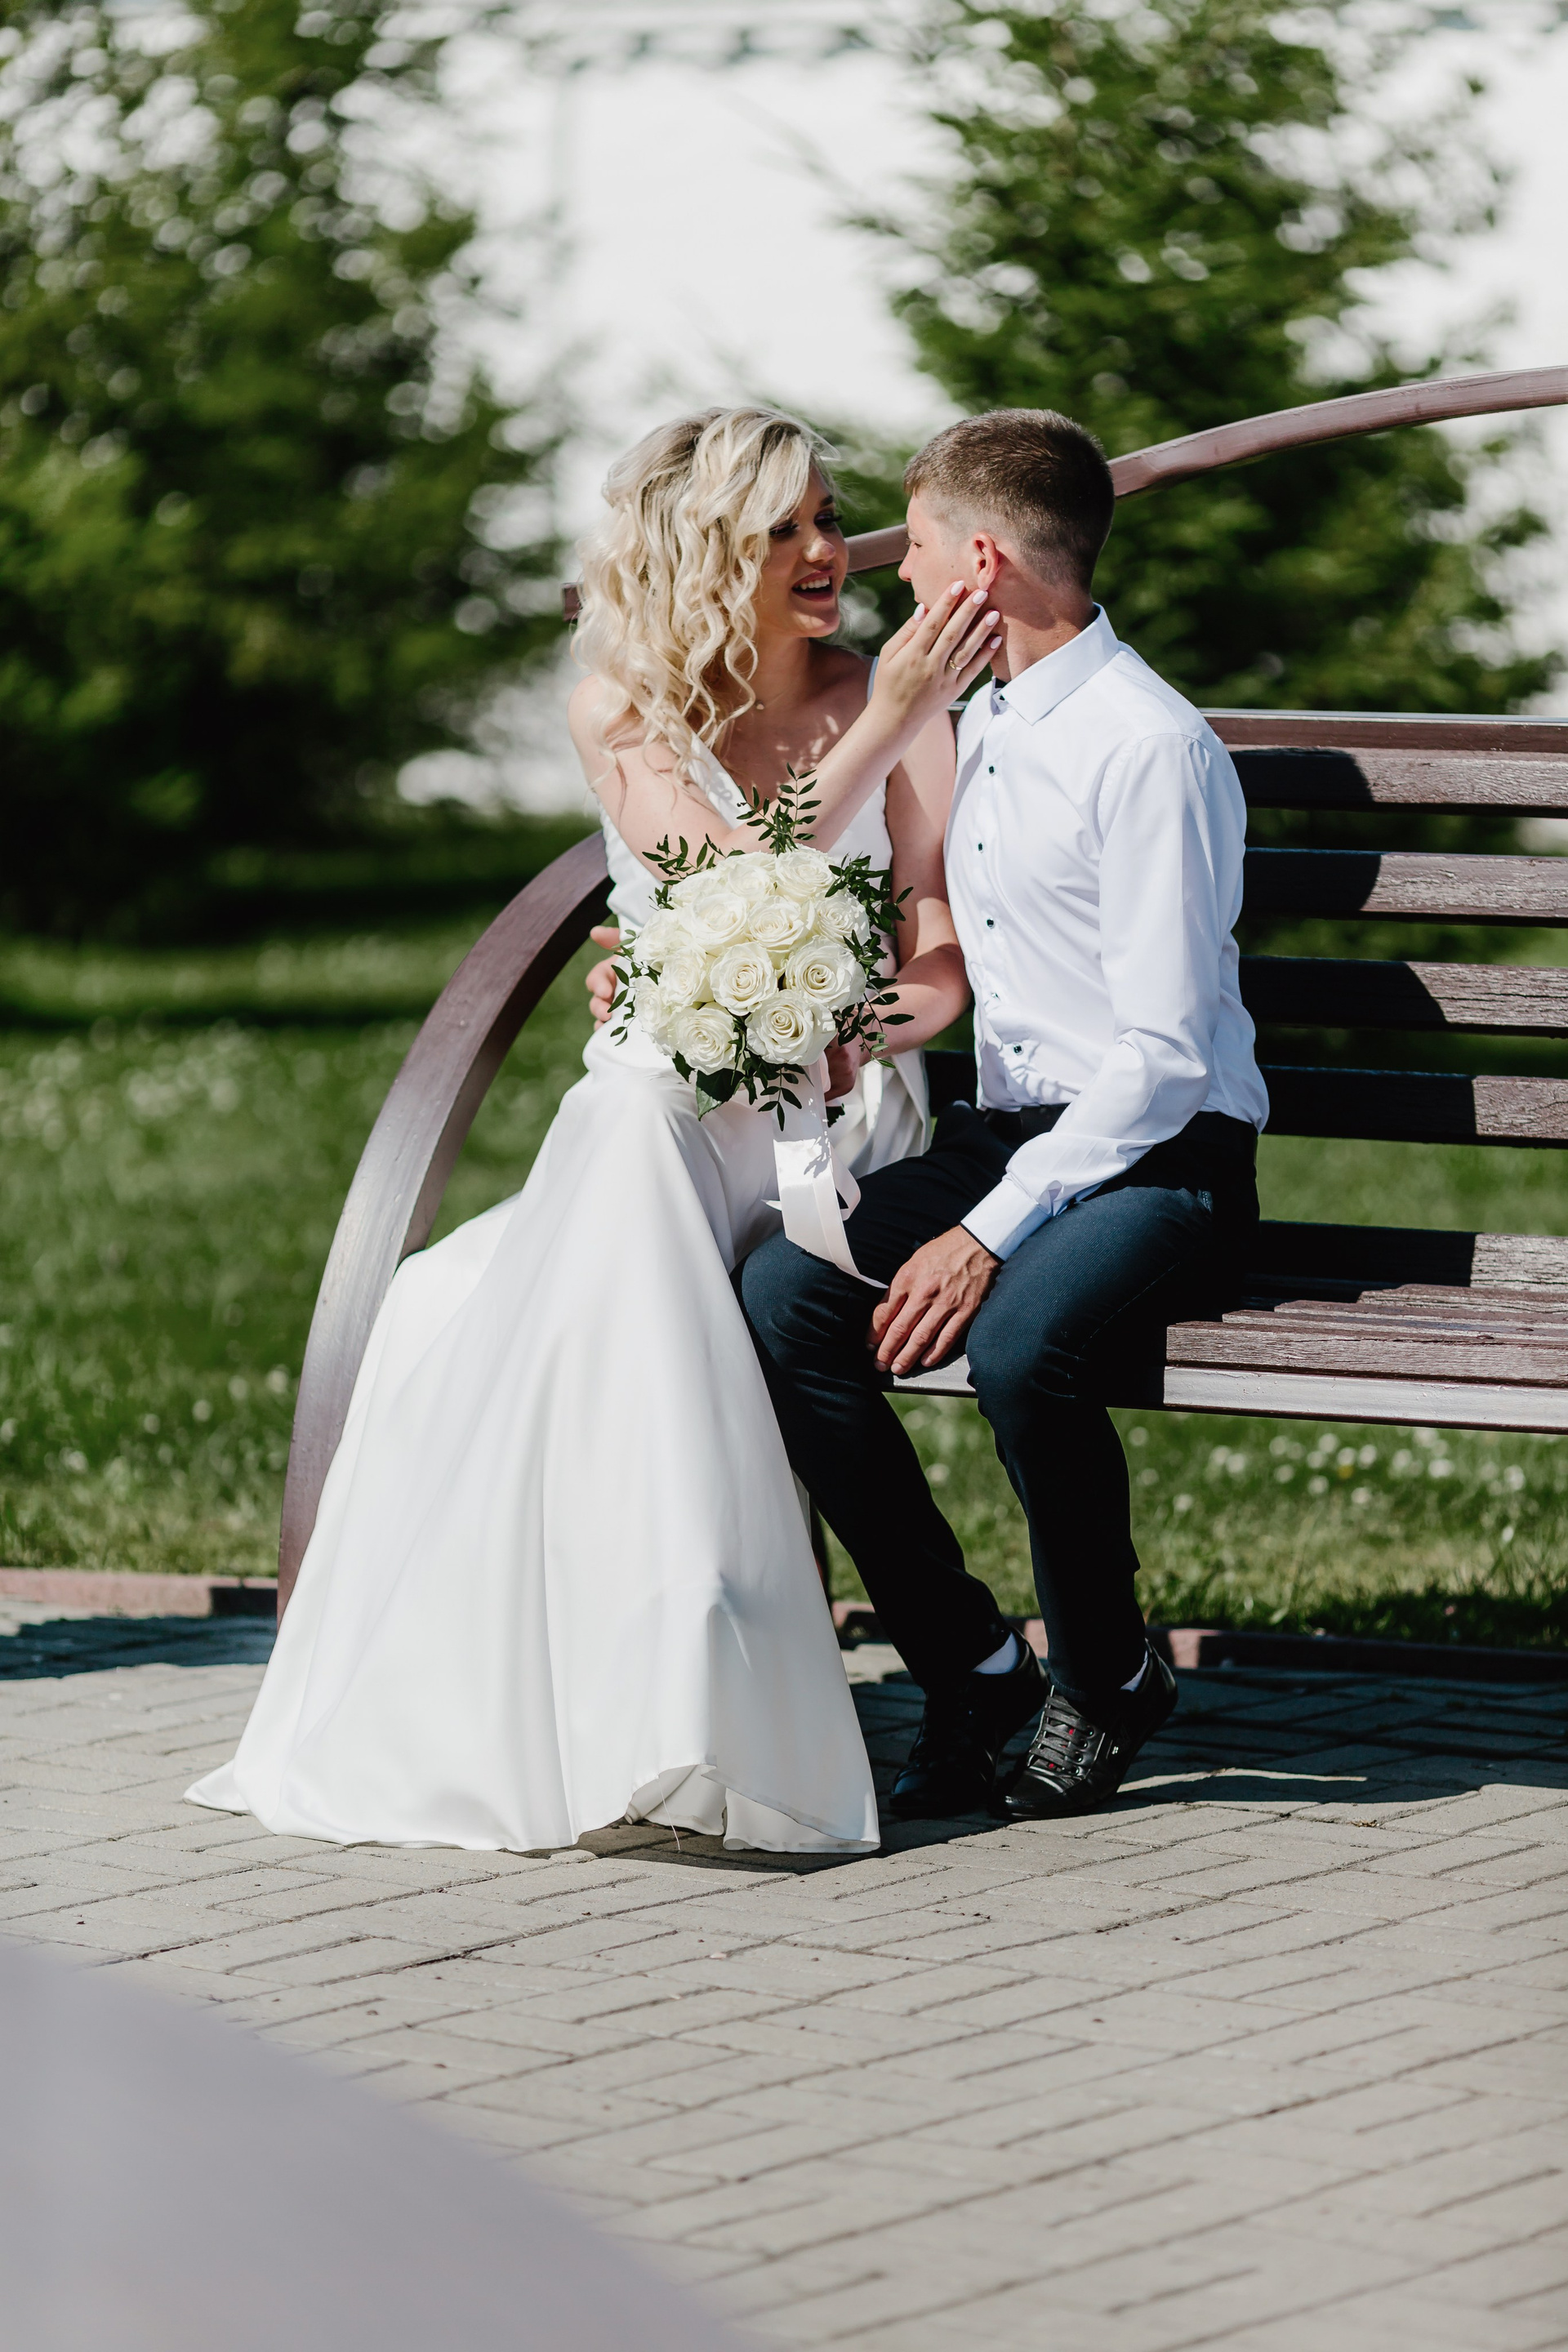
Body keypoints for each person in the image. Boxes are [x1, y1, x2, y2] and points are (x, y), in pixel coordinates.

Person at [187, 407, 994, 1856]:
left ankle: (684, 1673)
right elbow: (730, 893)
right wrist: (880, 727)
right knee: (498, 1239)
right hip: (668, 1090)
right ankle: (655, 1673)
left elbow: (937, 961)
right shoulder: (623, 710)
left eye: (829, 516)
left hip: (828, 1120)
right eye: (785, 529)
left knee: (550, 1226)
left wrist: (864, 1024)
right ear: (707, 551)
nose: (829, 550)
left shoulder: (894, 696)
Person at [737, 408, 1268, 1824]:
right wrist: (843, 1013)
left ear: (979, 562)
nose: (895, 573)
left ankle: (1104, 1679)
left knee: (1027, 1346)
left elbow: (1163, 1056)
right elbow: (948, 942)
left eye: (912, 546)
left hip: (1164, 1161)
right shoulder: (980, 725)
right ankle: (971, 1669)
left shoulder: (1146, 747)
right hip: (1013, 1134)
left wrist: (984, 1234)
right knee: (785, 1294)